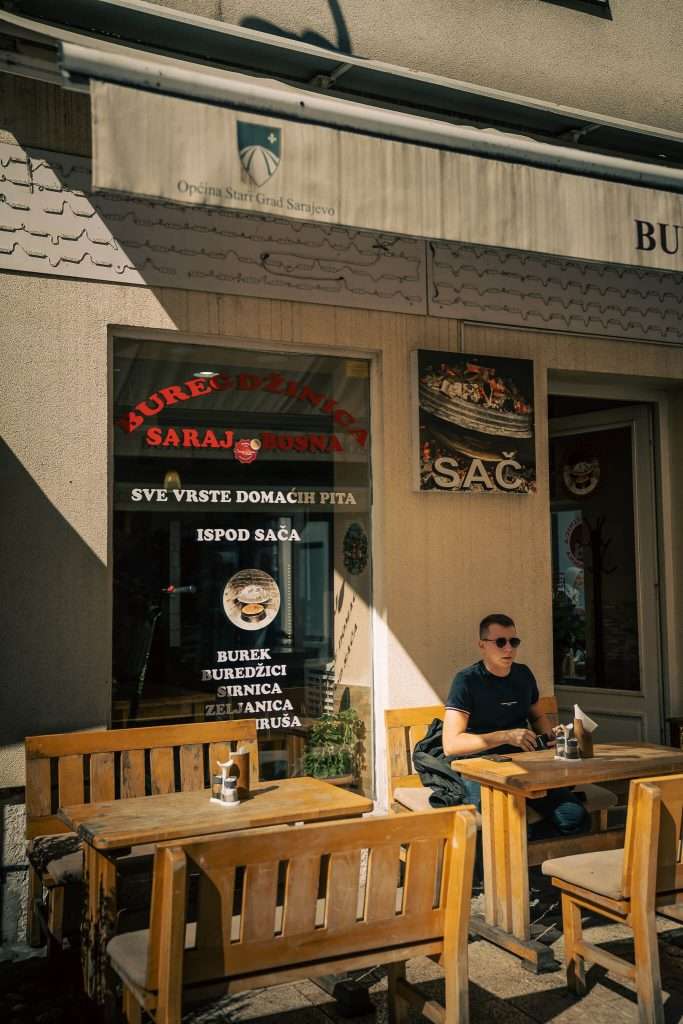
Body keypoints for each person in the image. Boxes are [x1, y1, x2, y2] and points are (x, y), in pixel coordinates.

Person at [442, 612, 586, 837]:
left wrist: (550, 735)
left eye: (513, 642)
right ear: (482, 645)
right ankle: (509, 862)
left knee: (574, 817)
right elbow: (451, 744)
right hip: (480, 769)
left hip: (524, 764)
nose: (508, 648)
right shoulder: (467, 681)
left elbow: (537, 716)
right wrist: (506, 736)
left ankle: (537, 860)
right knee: (507, 823)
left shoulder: (523, 674)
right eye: (500, 642)